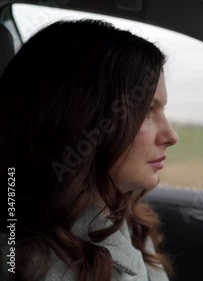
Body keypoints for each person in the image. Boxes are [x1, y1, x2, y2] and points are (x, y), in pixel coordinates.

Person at [0, 19, 179, 281]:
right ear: (79, 119)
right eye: (146, 111)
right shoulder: (31, 266)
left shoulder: (121, 212)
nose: (171, 136)